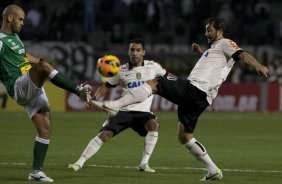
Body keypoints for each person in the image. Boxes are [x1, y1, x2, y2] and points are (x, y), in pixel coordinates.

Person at [90, 17, 269, 181]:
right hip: (200, 97)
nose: (206, 33)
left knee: (155, 83)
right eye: (205, 30)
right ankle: (213, 170)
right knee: (184, 136)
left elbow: (243, 54)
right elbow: (217, 66)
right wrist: (201, 53)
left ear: (219, 31)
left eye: (209, 30)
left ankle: (114, 105)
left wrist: (258, 66)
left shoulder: (225, 43)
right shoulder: (215, 49)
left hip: (194, 89)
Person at [0, 4, 91, 182]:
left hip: (30, 85)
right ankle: (78, 90)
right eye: (20, 19)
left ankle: (36, 172)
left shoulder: (15, 38)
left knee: (45, 129)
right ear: (10, 18)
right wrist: (44, 67)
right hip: (19, 85)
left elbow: (23, 56)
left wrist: (42, 62)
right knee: (43, 67)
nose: (23, 23)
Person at [69, 38, 165, 173]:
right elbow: (106, 85)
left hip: (143, 112)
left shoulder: (153, 67)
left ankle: (144, 163)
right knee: (105, 134)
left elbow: (167, 77)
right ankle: (79, 163)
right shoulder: (120, 70)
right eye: (132, 50)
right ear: (128, 51)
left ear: (144, 52)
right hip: (123, 111)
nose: (135, 53)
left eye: (138, 50)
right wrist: (96, 97)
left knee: (154, 124)